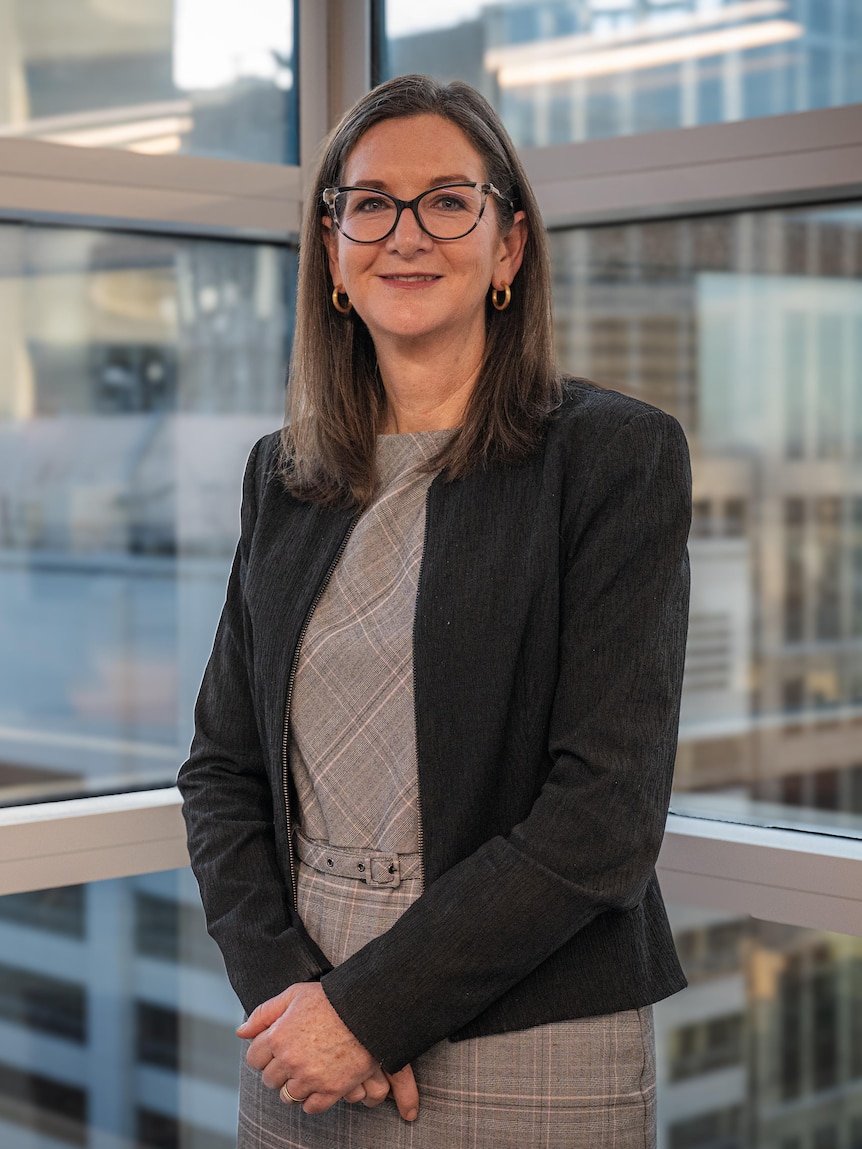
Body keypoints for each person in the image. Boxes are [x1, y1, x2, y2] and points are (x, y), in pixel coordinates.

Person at [177, 73, 691, 1149]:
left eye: (448, 200)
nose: (405, 234)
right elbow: (222, 770)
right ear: (332, 252)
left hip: (527, 1028)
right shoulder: (284, 475)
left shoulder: (611, 458)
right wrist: (292, 999)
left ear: (506, 246)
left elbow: (602, 816)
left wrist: (373, 1013)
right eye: (370, 204)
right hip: (298, 1029)